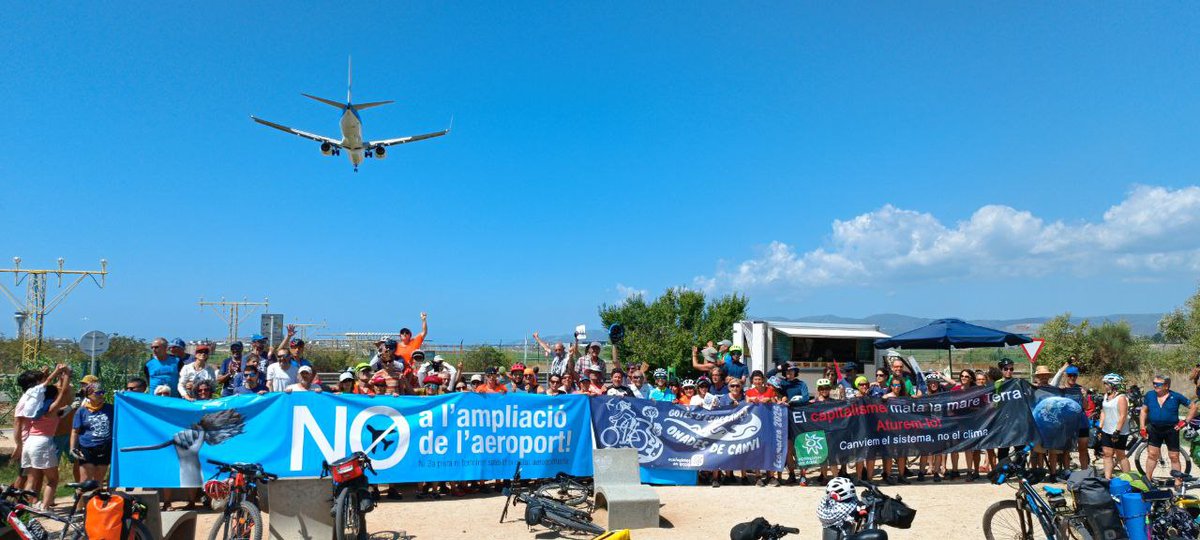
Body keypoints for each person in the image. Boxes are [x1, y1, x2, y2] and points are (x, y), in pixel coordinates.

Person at [16, 365, 73, 509]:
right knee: (53, 480)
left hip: (29, 443)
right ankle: (45, 508)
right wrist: (66, 376)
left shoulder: (35, 407)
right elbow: (62, 393)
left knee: (32, 479)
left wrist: (47, 373)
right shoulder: (52, 408)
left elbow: (61, 410)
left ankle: (29, 507)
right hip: (43, 443)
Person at [1139, 374, 1191, 484]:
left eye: (1158, 384)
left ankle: (1178, 481)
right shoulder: (1150, 395)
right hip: (1154, 428)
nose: (1155, 386)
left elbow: (1194, 407)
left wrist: (1185, 421)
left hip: (1171, 430)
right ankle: (1148, 480)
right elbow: (1143, 411)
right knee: (1152, 454)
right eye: (1154, 383)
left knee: (1174, 456)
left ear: (1166, 386)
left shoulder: (1176, 396)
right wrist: (1142, 426)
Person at [1051, 362, 1093, 471]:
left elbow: (1086, 407)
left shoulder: (1080, 389)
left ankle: (1084, 471)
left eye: (1075, 375)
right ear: (1066, 376)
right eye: (1070, 375)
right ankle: (1066, 471)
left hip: (1081, 422)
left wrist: (1084, 396)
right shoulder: (1061, 389)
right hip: (1067, 423)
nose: (1072, 378)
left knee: (1083, 449)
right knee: (1066, 449)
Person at [70, 383, 113, 486]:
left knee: (98, 480)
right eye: (98, 393)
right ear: (89, 395)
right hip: (86, 447)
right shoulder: (82, 411)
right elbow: (75, 431)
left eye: (103, 392)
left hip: (104, 447)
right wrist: (72, 448)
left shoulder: (110, 409)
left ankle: (95, 501)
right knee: (85, 480)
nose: (101, 395)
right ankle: (81, 501)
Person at [1097, 373, 1132, 479]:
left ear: (1112, 384)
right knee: (1107, 454)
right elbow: (1103, 411)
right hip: (1106, 430)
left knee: (1120, 454)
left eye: (1106, 383)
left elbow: (1123, 416)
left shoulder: (1121, 398)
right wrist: (1100, 427)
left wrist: (1117, 431)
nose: (1104, 385)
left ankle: (1129, 479)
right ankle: (1108, 478)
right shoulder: (1106, 396)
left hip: (1119, 431)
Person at [882, 377, 911, 485]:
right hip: (890, 429)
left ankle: (901, 475)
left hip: (902, 429)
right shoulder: (887, 397)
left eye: (899, 385)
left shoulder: (904, 398)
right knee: (889, 454)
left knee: (902, 454)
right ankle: (888, 475)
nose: (896, 387)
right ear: (891, 386)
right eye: (894, 385)